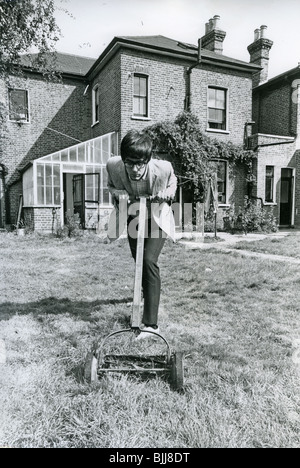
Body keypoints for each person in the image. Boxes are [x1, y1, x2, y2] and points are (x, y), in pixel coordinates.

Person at [106, 130, 177, 340]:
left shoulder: (163, 168)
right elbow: (111, 186)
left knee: (148, 260)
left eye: (140, 164)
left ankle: (151, 325)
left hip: (157, 216)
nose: (135, 169)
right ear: (123, 159)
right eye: (130, 163)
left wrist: (168, 193)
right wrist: (119, 194)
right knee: (139, 262)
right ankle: (144, 298)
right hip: (133, 214)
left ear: (148, 160)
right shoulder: (113, 166)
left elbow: (173, 184)